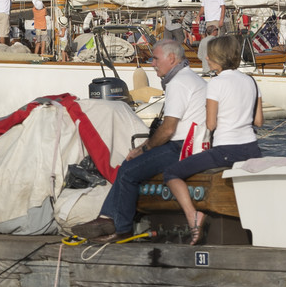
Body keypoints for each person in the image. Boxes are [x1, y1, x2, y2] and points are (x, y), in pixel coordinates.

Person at [72, 40, 209, 242]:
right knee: (130, 165)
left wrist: (143, 149)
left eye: (155, 58)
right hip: (196, 144)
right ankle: (107, 218)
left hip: (182, 147)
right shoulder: (192, 78)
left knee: (128, 171)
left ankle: (121, 227)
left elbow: (168, 129)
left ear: (171, 59)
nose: (152, 64)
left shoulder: (178, 83)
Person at [163, 34, 264, 244]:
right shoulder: (251, 81)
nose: (206, 59)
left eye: (208, 56)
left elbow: (210, 125)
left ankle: (194, 218)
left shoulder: (216, 84)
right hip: (252, 150)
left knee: (172, 172)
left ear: (217, 57)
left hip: (226, 151)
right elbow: (259, 121)